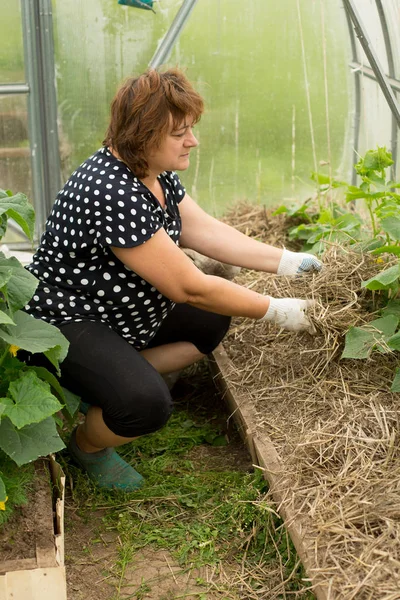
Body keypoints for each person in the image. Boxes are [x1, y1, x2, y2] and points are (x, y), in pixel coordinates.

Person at [24, 68, 321, 492]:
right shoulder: (110, 190)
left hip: (119, 311)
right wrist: (278, 311)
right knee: (145, 405)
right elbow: (190, 286)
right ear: (144, 134)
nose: (193, 141)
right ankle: (87, 446)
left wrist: (288, 262)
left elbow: (207, 231)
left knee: (210, 322)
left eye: (191, 129)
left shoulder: (152, 172)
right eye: (180, 132)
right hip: (70, 321)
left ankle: (103, 391)